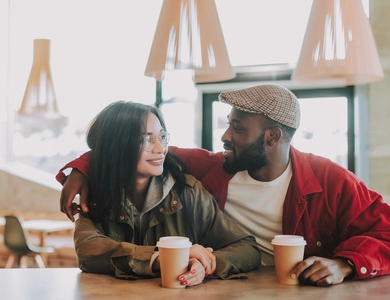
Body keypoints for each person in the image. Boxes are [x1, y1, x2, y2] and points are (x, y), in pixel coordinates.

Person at [56, 84, 390, 287]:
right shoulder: (215, 167)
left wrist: (346, 263)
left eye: (238, 129)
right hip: (231, 287)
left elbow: (386, 230)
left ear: (272, 137)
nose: (225, 137)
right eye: (228, 125)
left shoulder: (329, 180)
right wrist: (84, 168)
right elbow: (126, 150)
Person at [66, 101, 261, 286]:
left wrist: (207, 262)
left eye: (162, 137)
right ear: (117, 147)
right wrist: (164, 257)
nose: (160, 149)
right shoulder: (94, 194)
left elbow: (247, 247)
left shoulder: (188, 192)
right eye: (146, 139)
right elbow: (89, 251)